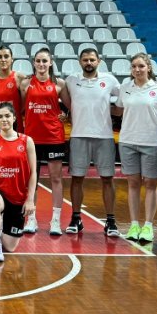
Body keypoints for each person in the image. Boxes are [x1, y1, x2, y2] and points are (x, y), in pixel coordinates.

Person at [64, 48, 120, 236]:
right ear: (80, 61)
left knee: (107, 179)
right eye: (85, 60)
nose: (89, 63)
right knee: (77, 178)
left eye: (92, 60)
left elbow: (123, 102)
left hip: (104, 136)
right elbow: (65, 101)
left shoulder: (110, 80)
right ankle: (76, 218)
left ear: (99, 61)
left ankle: (111, 221)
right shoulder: (71, 80)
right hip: (79, 135)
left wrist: (110, 112)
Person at [114, 53, 157, 242]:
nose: (137, 70)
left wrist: (151, 126)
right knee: (133, 183)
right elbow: (119, 110)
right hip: (128, 141)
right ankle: (134, 224)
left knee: (151, 183)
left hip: (151, 142)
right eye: (134, 67)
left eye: (141, 66)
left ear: (149, 68)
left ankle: (148, 226)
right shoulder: (125, 88)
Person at [19, 47, 70, 235]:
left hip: (53, 136)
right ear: (34, 63)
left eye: (44, 61)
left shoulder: (59, 84)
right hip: (32, 138)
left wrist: (65, 115)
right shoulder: (26, 83)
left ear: (50, 63)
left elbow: (70, 106)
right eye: (38, 61)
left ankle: (55, 221)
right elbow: (21, 107)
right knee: (32, 178)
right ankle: (31, 218)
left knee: (56, 178)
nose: (41, 64)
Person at [0, 102, 37, 262]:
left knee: (10, 247)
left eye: (7, 116)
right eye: (0, 116)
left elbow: (33, 172)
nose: (4, 119)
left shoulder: (27, 141)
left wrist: (30, 199)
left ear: (14, 118)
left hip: (18, 196)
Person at [0, 45, 24, 136]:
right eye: (0, 57)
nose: (3, 60)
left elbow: (24, 106)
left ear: (12, 59)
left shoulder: (19, 78)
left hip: (14, 129)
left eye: (6, 56)